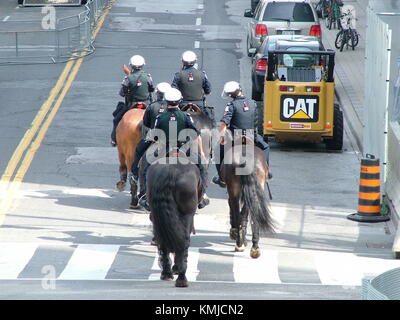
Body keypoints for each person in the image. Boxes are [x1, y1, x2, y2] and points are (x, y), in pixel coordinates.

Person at [131, 88, 209, 210]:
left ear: (166, 101)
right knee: (202, 168)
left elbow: (155, 134)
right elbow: (195, 134)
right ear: (180, 101)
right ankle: (201, 196)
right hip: (183, 149)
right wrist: (202, 153)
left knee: (144, 166)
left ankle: (145, 195)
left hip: (164, 149)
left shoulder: (160, 117)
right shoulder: (186, 116)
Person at [212, 81, 272, 188]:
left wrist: (222, 137)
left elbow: (223, 123)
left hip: (235, 136)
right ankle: (266, 170)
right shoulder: (253, 103)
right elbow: (255, 121)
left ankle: (221, 177)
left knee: (218, 150)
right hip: (251, 135)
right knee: (266, 147)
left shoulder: (231, 105)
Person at [129, 82, 171, 208]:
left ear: (157, 93)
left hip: (153, 139)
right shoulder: (174, 107)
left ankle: (135, 176)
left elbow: (146, 125)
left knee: (139, 153)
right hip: (172, 141)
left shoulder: (151, 107)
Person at [111, 55, 155, 146]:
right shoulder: (148, 77)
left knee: (116, 120)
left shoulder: (127, 79)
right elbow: (151, 89)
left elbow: (122, 93)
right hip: (146, 103)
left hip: (131, 105)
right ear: (143, 65)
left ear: (131, 65)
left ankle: (114, 139)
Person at [171, 50, 215, 126]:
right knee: (211, 121)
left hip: (182, 104)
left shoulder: (178, 75)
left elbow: (173, 91)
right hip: (199, 104)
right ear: (195, 61)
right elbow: (208, 91)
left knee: (171, 119)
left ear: (183, 61)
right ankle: (215, 135)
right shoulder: (202, 74)